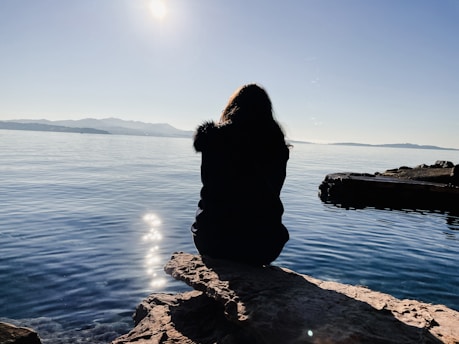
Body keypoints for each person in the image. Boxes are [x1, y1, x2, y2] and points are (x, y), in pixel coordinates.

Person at [191, 83, 290, 266]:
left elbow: (210, 185)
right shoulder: (275, 144)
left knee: (206, 206)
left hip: (212, 241)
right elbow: (274, 191)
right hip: (263, 246)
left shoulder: (214, 138)